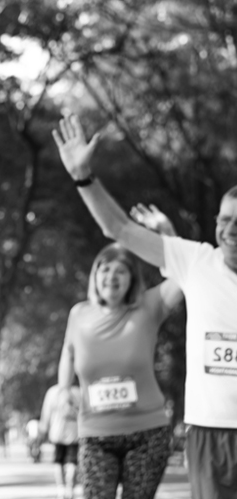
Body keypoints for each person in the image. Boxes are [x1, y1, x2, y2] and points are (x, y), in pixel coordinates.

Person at [54, 115, 236, 499]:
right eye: (224, 219)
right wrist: (83, 178)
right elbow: (119, 229)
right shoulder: (198, 261)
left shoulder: (167, 287)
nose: (230, 229)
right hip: (209, 428)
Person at [39, 384, 81, 499]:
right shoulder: (78, 391)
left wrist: (43, 429)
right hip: (75, 433)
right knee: (73, 462)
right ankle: (70, 488)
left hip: (57, 433)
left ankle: (61, 488)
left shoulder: (52, 392)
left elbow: (46, 413)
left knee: (58, 461)